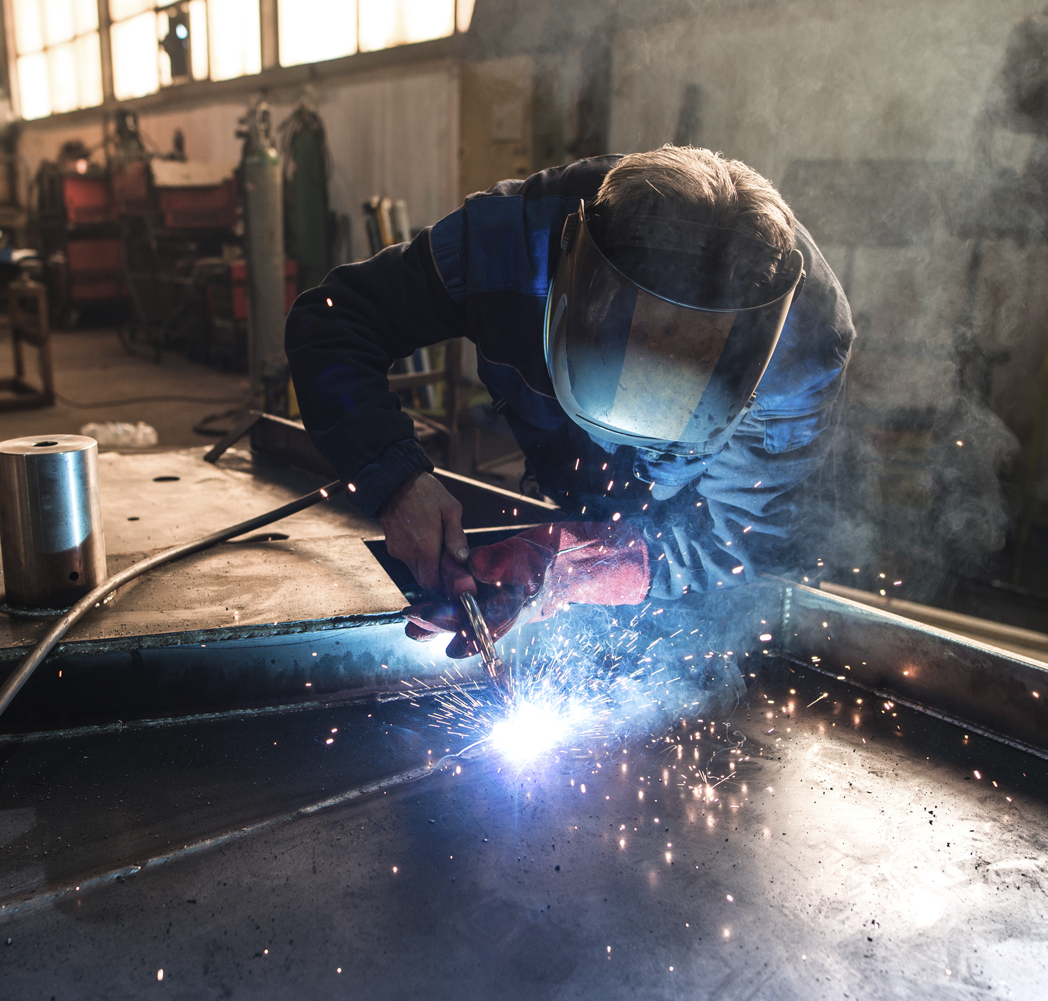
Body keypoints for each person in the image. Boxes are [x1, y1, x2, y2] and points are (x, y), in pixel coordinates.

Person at [285, 146, 854, 656]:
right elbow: (333, 323)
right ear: (568, 288)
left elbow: (741, 540)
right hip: (564, 465)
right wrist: (395, 480)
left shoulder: (799, 349)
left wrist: (571, 570)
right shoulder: (509, 243)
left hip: (692, 556)